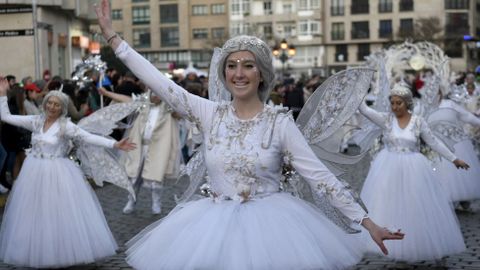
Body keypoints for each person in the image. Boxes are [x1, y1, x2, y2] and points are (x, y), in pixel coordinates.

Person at [96, 1, 404, 269]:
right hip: (209, 232)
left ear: (261, 74)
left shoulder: (279, 123)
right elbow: (158, 81)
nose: (238, 73)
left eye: (247, 66)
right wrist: (114, 39)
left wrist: (368, 223)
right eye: (231, 66)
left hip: (272, 234)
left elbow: (320, 177)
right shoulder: (208, 113)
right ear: (224, 74)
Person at [0, 77, 135, 268]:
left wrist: (114, 143)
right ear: (45, 104)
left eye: (56, 104)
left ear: (62, 108)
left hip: (59, 174)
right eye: (50, 103)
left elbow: (88, 138)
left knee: (58, 213)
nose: (52, 107)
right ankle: (38, 248)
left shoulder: (66, 126)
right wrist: (2, 94)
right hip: (33, 173)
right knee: (34, 213)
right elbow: (6, 117)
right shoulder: (36, 122)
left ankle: (62, 250)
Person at [358, 83, 469, 263]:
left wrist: (454, 159)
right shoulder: (386, 120)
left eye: (398, 103)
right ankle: (399, 251)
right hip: (389, 168)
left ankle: (425, 244)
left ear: (407, 103)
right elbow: (365, 110)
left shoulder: (418, 121)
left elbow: (433, 142)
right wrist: (357, 92)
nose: (395, 107)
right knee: (392, 207)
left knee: (417, 207)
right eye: (392, 103)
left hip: (415, 169)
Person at [98, 87, 181, 215]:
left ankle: (156, 202)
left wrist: (174, 102)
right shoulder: (143, 103)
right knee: (134, 177)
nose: (155, 98)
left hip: (159, 147)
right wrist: (107, 93)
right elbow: (125, 100)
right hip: (140, 146)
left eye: (159, 95)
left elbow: (181, 113)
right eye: (153, 95)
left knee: (156, 178)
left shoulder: (168, 107)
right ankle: (131, 200)